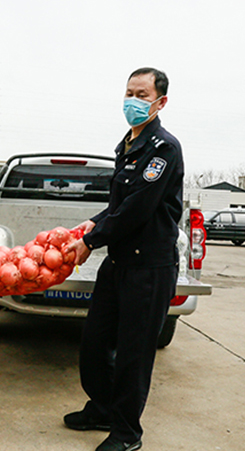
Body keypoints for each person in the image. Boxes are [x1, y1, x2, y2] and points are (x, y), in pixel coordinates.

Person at [63, 68, 184, 451]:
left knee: (134, 354)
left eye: (142, 94)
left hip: (149, 267)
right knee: (94, 343)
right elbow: (119, 204)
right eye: (129, 92)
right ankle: (102, 408)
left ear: (160, 102)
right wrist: (94, 221)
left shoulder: (163, 148)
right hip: (118, 264)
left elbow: (139, 207)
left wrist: (91, 240)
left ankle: (127, 433)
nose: (133, 100)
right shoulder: (127, 146)